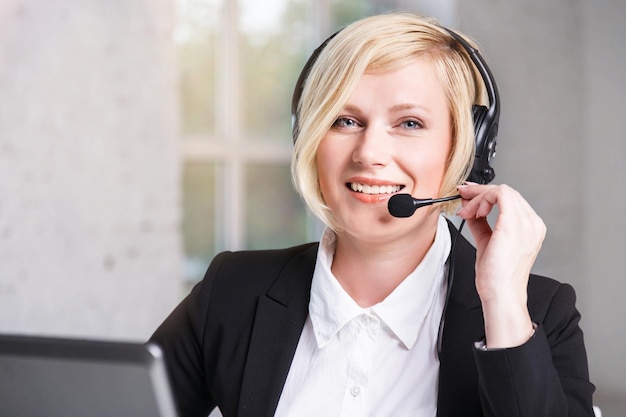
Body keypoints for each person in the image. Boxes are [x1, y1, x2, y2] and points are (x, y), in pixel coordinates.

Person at [151, 11, 594, 417]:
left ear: (464, 148)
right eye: (345, 120)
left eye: (410, 123)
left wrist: (501, 304)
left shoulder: (535, 314)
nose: (369, 153)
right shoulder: (232, 290)